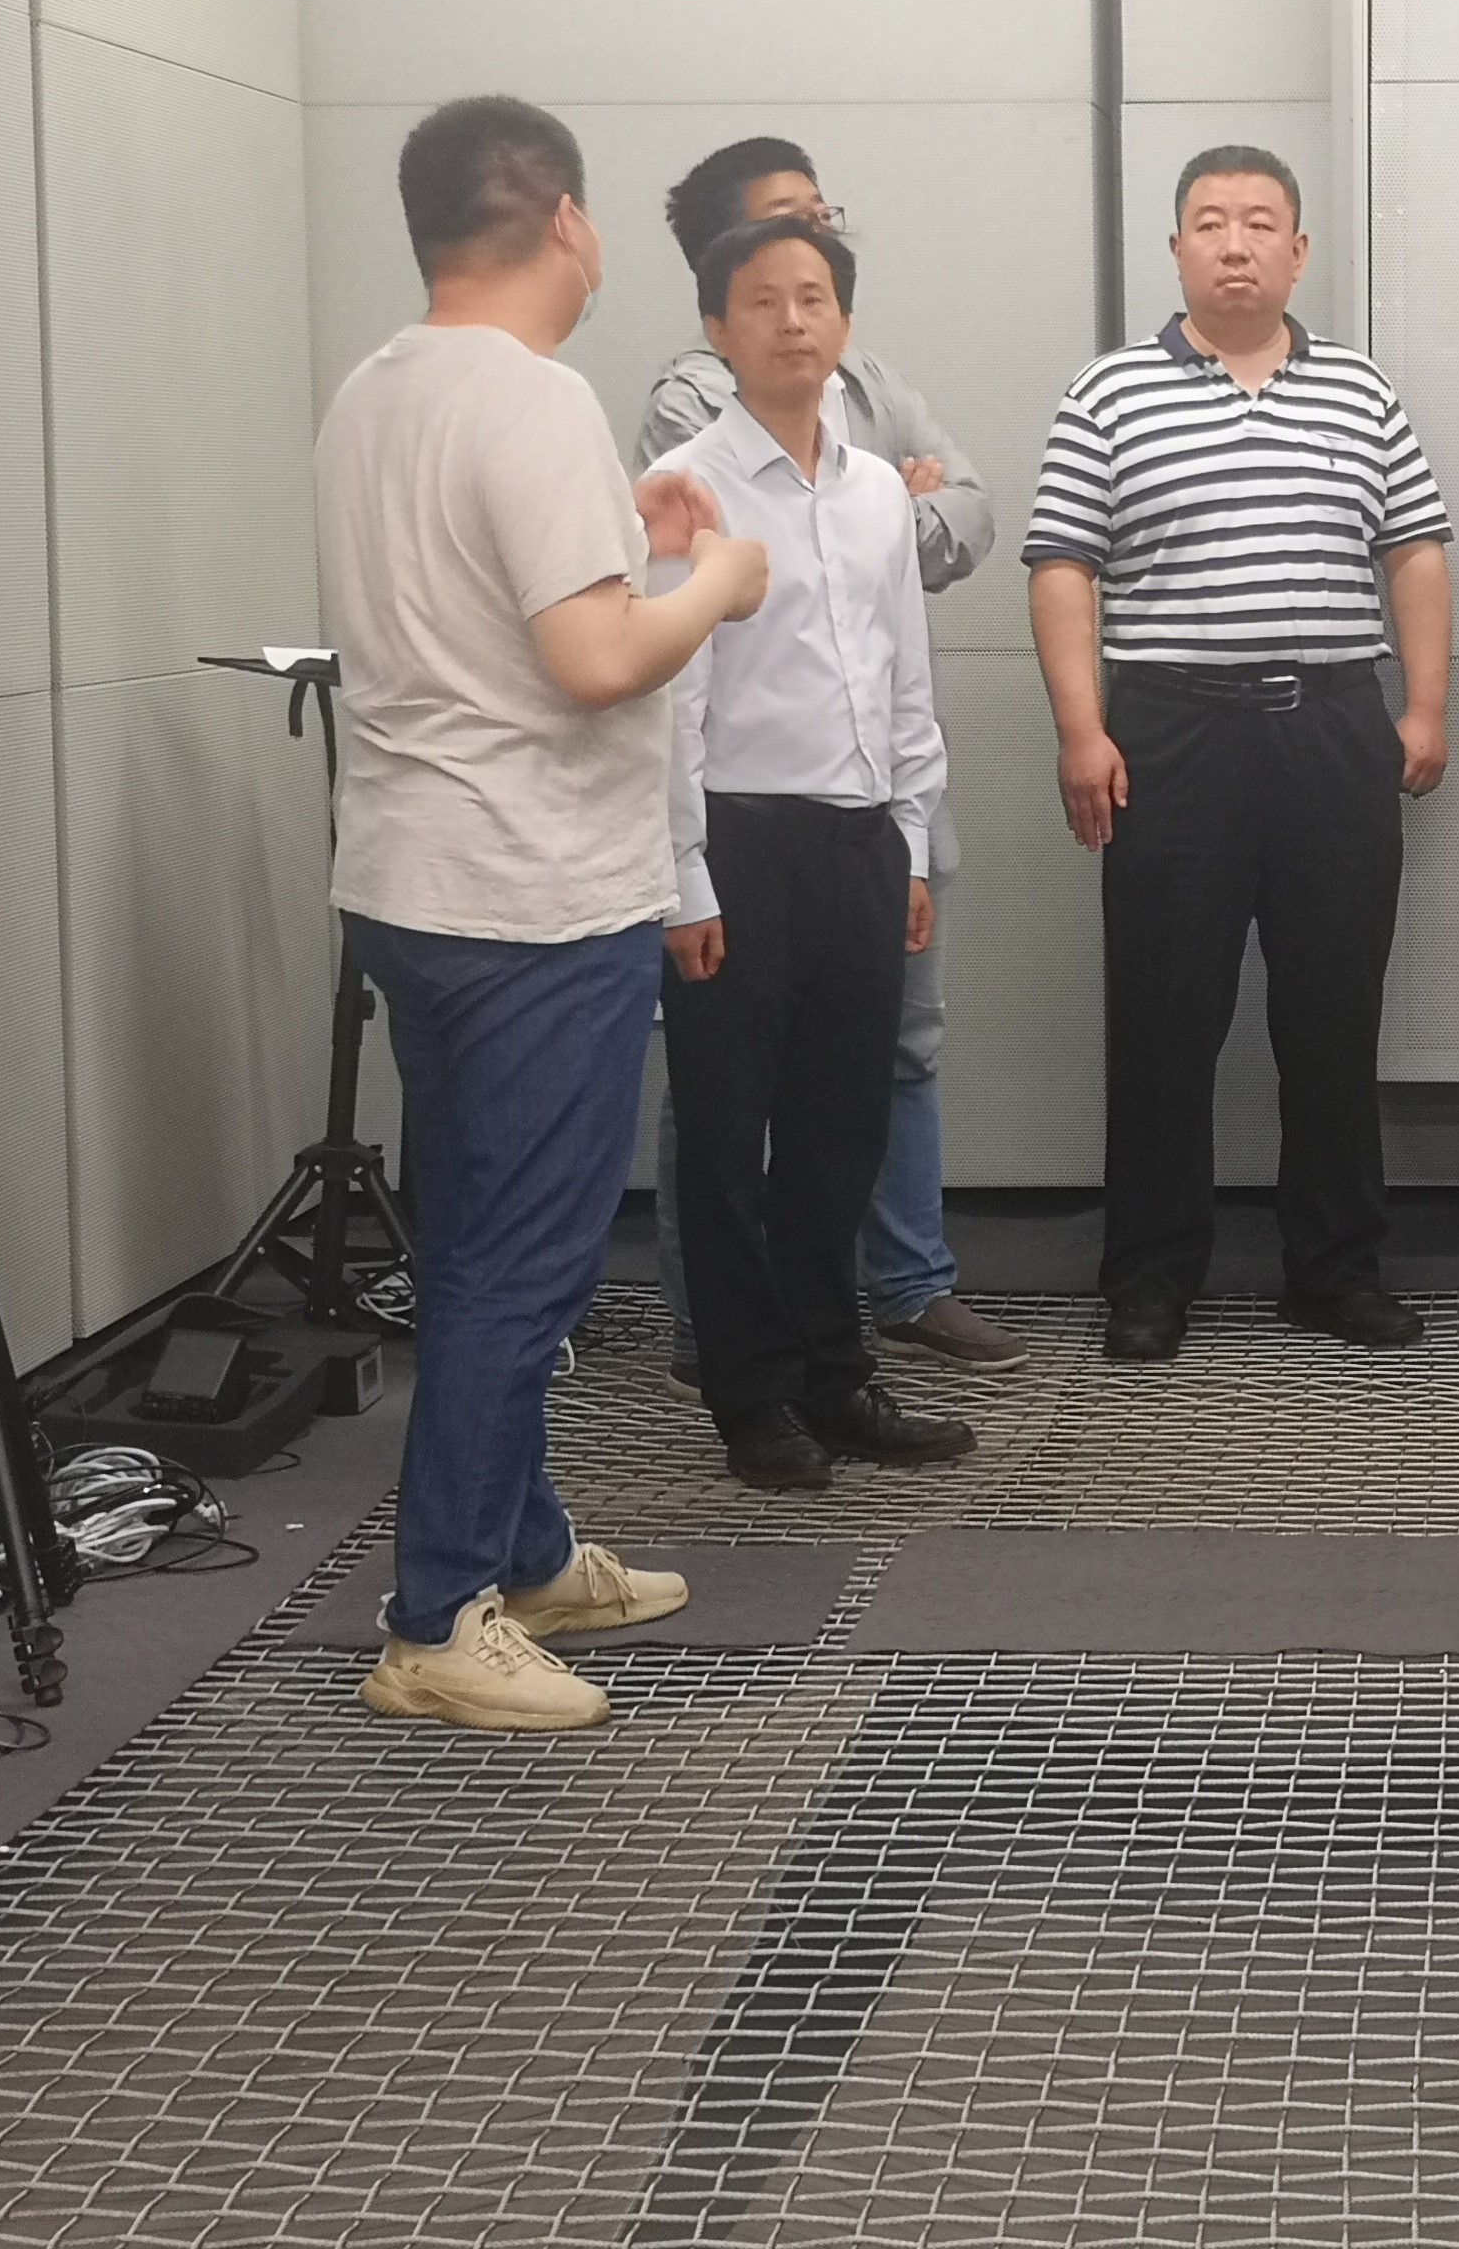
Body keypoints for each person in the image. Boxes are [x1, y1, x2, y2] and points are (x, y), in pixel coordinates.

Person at [321, 95, 769, 1732]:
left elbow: (480, 595)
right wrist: (715, 584)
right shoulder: (534, 395)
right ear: (567, 221)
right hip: (533, 898)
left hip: (415, 882)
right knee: (524, 1265)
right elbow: (592, 660)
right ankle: (438, 1617)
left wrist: (625, 537)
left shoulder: (379, 387)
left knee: (473, 1243)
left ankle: (517, 1548)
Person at [1021, 146, 1455, 1362]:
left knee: (1334, 1016)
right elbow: (1064, 566)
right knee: (1164, 1019)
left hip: (1333, 728)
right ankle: (1151, 1277)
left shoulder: (1360, 390)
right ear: (1175, 249)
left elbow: (1415, 550)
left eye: (1261, 223)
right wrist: (1081, 729)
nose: (1235, 243)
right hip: (1171, 734)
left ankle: (1336, 1269)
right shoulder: (1109, 392)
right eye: (1209, 222)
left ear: (1299, 252)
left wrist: (1424, 706)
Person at [640, 139, 1022, 1378]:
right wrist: (684, 877)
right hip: (740, 832)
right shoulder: (684, 476)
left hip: (864, 832)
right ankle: (740, 1380)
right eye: (765, 294)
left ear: (844, 317)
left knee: (843, 1114)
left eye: (816, 289)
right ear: (717, 320)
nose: (795, 317)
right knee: (726, 1117)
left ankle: (841, 1366)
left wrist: (903, 843)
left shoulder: (869, 490)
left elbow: (912, 648)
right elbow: (672, 691)